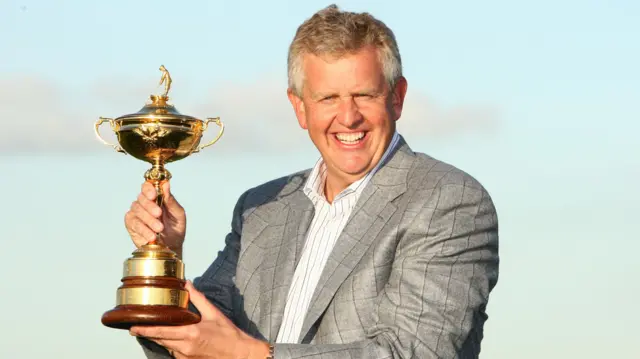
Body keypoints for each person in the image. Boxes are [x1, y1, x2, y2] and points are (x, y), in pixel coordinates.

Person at [125, 4, 499, 359]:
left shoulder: (448, 201)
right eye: (328, 98)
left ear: (397, 98)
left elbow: (415, 352)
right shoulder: (261, 208)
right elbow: (205, 338)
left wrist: (249, 354)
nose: (348, 117)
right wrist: (166, 261)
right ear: (300, 108)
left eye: (364, 95)